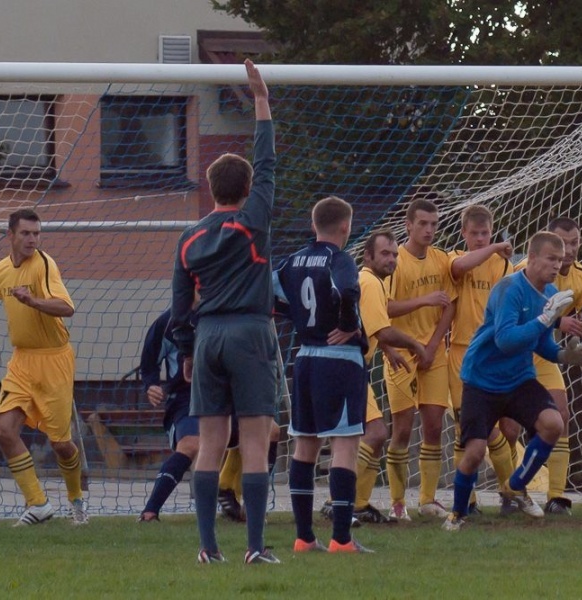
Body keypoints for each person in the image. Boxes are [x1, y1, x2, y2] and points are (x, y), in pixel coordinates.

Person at [170, 59, 278, 565]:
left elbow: (178, 307)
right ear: (247, 187)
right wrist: (261, 100)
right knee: (254, 440)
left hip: (208, 335)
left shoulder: (188, 237)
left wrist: (188, 352)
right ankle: (255, 547)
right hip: (248, 332)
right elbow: (269, 162)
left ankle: (207, 549)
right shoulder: (253, 220)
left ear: (212, 187)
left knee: (210, 443)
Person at [442, 231, 582, 531]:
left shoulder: (550, 292)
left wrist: (565, 356)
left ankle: (515, 486)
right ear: (534, 257)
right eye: (551, 258)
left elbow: (541, 343)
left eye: (561, 258)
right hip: (481, 380)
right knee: (474, 453)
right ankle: (457, 513)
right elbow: (505, 341)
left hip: (518, 379)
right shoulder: (508, 289)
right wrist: (543, 320)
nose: (558, 263)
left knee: (554, 423)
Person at [275, 196, 372, 553]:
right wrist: (349, 324)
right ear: (345, 227)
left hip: (305, 358)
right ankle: (342, 540)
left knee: (305, 443)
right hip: (339, 360)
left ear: (313, 225)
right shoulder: (340, 258)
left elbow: (271, 295)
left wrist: (300, 318)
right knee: (345, 446)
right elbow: (348, 289)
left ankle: (303, 537)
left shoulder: (292, 260)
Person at [0, 208, 87, 526]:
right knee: (3, 431)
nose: (32, 239)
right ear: (10, 235)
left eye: (37, 233)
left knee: (60, 443)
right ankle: (38, 503)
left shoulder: (44, 264)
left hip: (54, 361)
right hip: (22, 361)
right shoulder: (0, 271)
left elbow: (66, 307)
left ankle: (77, 501)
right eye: (26, 233)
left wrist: (32, 301)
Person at [512, 217, 582, 515]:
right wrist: (558, 320)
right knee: (508, 429)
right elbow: (512, 320)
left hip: (545, 352)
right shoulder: (521, 271)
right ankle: (512, 492)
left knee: (561, 415)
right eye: (563, 243)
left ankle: (556, 496)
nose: (571, 249)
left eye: (575, 242)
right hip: (515, 353)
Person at [446, 205, 529, 515]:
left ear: (491, 231)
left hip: (495, 353)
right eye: (475, 234)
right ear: (464, 234)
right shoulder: (453, 258)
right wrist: (494, 246)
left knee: (508, 429)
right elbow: (461, 267)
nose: (480, 239)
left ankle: (509, 493)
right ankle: (470, 500)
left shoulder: (503, 266)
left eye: (485, 233)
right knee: (469, 431)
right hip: (461, 353)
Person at [383, 196, 457, 520]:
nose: (429, 230)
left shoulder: (441, 260)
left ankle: (428, 499)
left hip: (433, 353)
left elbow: (450, 305)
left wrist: (433, 344)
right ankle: (398, 503)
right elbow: (382, 308)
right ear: (408, 225)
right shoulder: (393, 261)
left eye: (434, 224)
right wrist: (423, 301)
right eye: (423, 224)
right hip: (400, 353)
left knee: (434, 426)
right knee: (401, 429)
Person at [353, 229, 427, 523]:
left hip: (355, 365)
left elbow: (371, 326)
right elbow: (383, 329)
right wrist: (414, 344)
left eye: (395, 254)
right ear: (368, 255)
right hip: (350, 368)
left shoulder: (370, 282)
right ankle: (341, 500)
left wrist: (387, 349)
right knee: (376, 433)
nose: (392, 259)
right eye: (385, 253)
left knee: (372, 435)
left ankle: (357, 503)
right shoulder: (370, 282)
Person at [138, 308, 198, 522]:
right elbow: (148, 364)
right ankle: (150, 511)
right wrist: (152, 385)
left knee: (270, 432)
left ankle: (244, 503)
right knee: (191, 444)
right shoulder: (167, 322)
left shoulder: (225, 312)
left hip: (226, 394)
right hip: (185, 399)